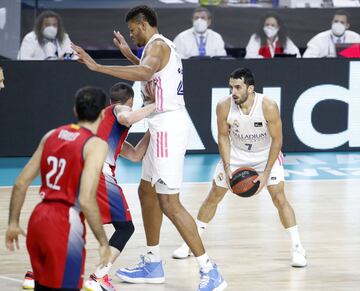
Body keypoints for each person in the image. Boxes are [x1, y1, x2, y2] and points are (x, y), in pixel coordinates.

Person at [71, 5, 227, 291]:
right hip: (158, 124)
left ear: (143, 25)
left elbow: (145, 69)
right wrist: (129, 56)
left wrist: (96, 66)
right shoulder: (159, 49)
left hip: (167, 126)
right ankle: (153, 262)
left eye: (132, 31)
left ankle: (209, 269)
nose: (132, 36)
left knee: (169, 201)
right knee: (146, 190)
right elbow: (148, 72)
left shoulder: (156, 47)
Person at [172, 68, 307, 268]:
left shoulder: (268, 106)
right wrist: (227, 167)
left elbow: (278, 140)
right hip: (236, 154)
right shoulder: (223, 106)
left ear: (250, 89)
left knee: (279, 198)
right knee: (213, 196)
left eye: (237, 87)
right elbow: (223, 136)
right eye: (231, 87)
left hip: (265, 154)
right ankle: (191, 243)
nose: (233, 91)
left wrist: (266, 173)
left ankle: (298, 248)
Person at [5, 87, 111, 290]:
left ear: (75, 109)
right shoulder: (95, 145)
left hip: (38, 218)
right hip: (65, 223)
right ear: (103, 113)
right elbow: (87, 200)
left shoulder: (51, 135)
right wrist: (103, 242)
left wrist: (13, 223)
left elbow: (20, 183)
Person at [83, 82, 155, 291]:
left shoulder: (104, 123)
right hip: (99, 172)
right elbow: (127, 117)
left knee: (70, 224)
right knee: (125, 227)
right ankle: (99, 276)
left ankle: (36, 273)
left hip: (81, 171)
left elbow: (134, 155)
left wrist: (152, 130)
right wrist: (156, 104)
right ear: (130, 102)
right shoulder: (119, 110)